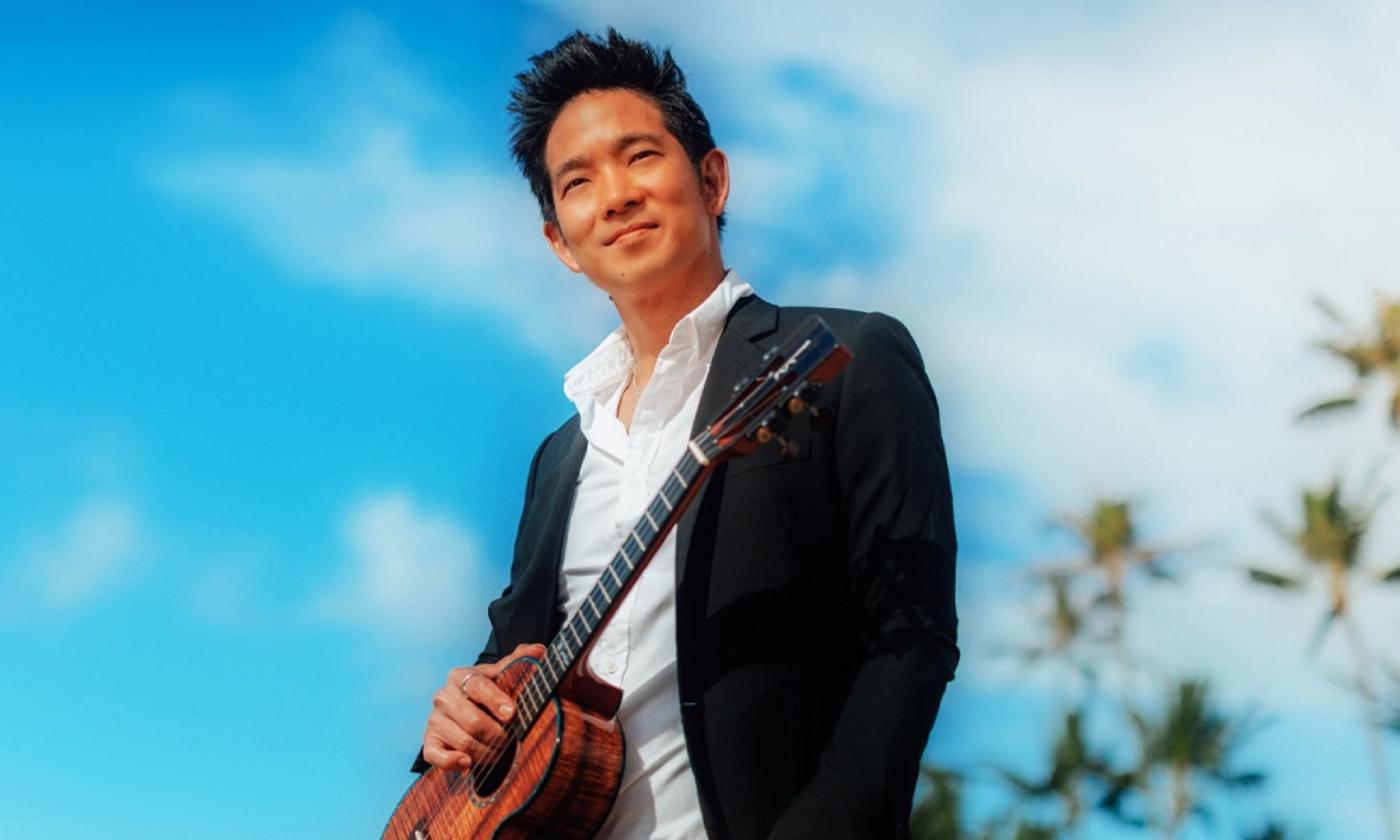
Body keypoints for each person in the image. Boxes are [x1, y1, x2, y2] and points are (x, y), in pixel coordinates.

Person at [412, 28, 958, 840]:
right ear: (560, 242)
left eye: (640, 156)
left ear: (711, 179)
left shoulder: (850, 360)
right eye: (579, 181)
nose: (617, 195)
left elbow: (910, 638)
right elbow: (507, 666)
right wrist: (453, 729)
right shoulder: (559, 459)